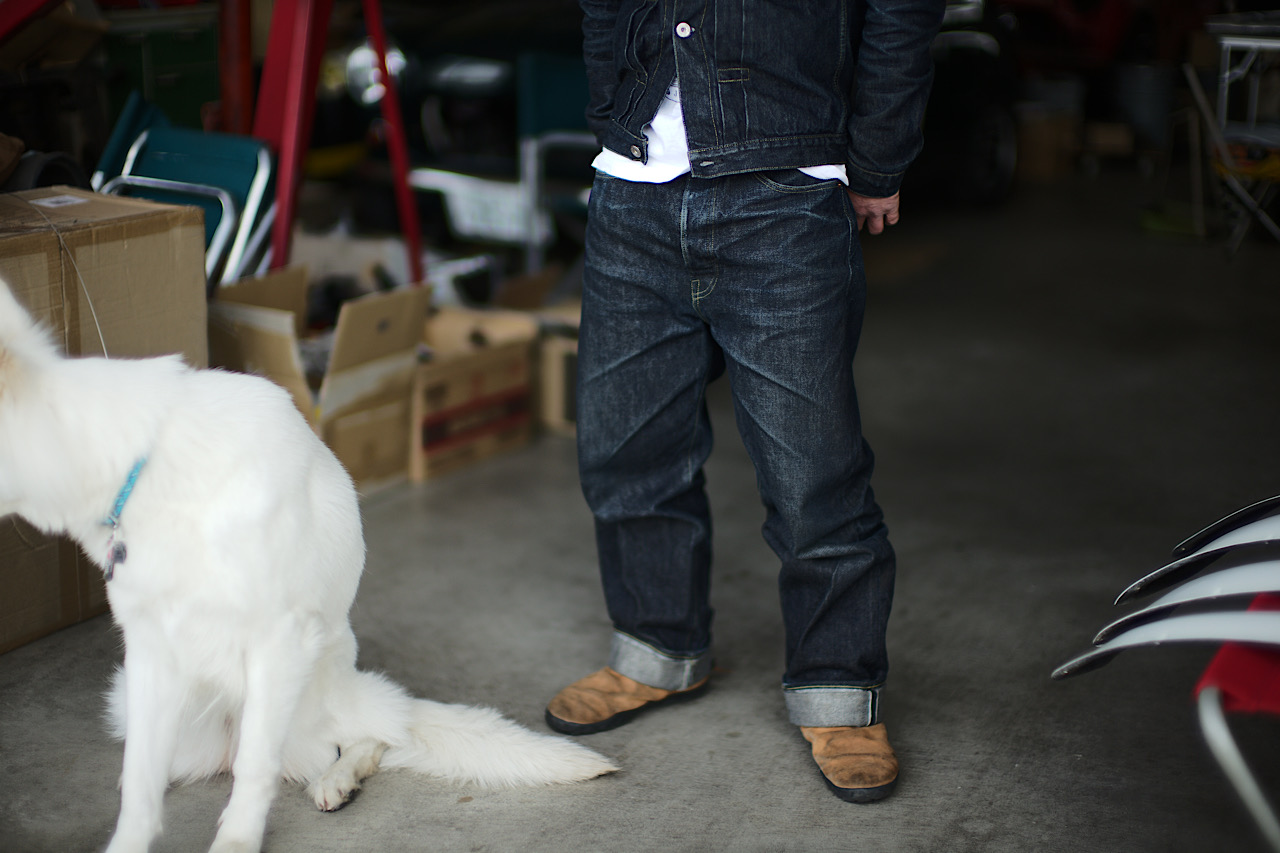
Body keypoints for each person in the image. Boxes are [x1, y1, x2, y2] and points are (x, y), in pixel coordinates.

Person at [545, 0, 943, 804]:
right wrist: (609, 115)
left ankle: (838, 692)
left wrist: (877, 158)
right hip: (633, 193)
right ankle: (660, 651)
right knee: (626, 449)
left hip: (783, 189)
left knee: (813, 473)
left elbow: (901, 12)